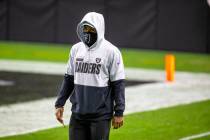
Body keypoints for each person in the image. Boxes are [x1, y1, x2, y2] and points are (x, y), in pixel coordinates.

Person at [55, 12, 125, 140]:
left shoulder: (111, 51)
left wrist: (119, 112)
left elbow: (118, 84)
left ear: (99, 28)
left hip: (100, 116)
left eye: (90, 28)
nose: (86, 32)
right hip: (77, 113)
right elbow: (69, 79)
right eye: (84, 28)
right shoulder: (75, 49)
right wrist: (60, 103)